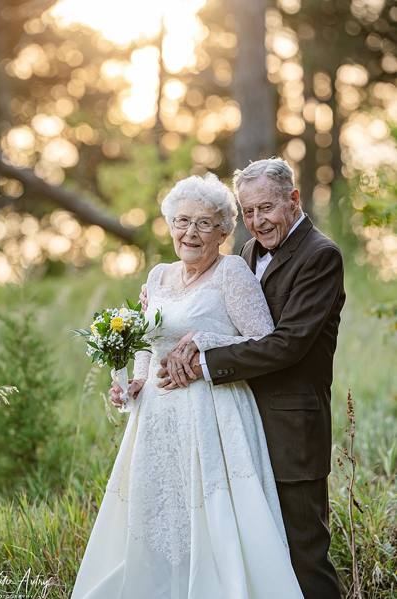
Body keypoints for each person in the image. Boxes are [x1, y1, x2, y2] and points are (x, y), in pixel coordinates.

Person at [71, 172, 304, 599]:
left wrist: (205, 341)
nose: (190, 232)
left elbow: (264, 339)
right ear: (169, 225)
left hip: (213, 415)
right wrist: (134, 382)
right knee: (158, 517)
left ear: (222, 231)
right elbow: (147, 344)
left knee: (210, 519)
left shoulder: (232, 271)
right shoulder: (157, 277)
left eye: (203, 223)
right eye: (181, 221)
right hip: (156, 420)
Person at [154, 158, 345, 599]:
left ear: (293, 200)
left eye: (267, 208)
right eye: (250, 211)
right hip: (236, 427)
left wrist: (203, 363)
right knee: (256, 555)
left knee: (303, 556)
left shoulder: (320, 255)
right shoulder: (246, 254)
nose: (258, 221)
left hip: (289, 430)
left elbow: (288, 344)